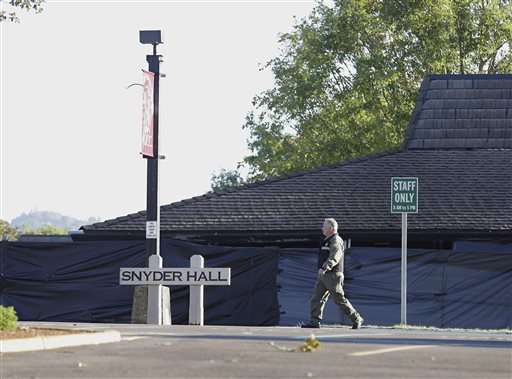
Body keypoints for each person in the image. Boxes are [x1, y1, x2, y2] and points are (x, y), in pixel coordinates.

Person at [302, 218, 364, 329]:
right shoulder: (327, 240)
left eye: (324, 226)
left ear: (330, 228)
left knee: (339, 299)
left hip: (333, 275)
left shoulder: (336, 240)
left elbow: (335, 256)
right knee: (317, 298)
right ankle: (314, 322)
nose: (322, 228)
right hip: (324, 275)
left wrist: (325, 267)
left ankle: (356, 319)